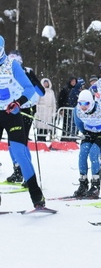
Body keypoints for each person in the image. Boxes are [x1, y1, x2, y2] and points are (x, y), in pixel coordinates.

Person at [0, 36, 47, 209]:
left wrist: (18, 102)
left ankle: (37, 197)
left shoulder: (12, 65)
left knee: (19, 152)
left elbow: (28, 88)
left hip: (12, 113)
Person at [5, 51, 43, 184]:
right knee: (11, 142)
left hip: (27, 109)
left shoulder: (26, 72)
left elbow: (41, 92)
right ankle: (18, 171)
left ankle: (29, 175)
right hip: (13, 109)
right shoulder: (6, 71)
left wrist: (32, 80)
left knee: (22, 142)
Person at [73, 89, 101, 198]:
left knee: (93, 153)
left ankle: (95, 185)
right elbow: (78, 122)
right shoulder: (77, 110)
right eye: (80, 103)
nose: (83, 106)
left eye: (86, 103)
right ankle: (83, 184)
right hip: (89, 132)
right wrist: (84, 132)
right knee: (83, 153)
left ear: (91, 102)